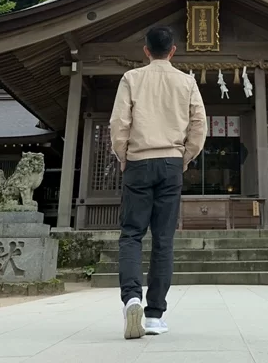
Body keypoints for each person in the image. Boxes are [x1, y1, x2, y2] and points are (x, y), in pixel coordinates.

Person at [110, 25, 206, 340]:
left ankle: (131, 298)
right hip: (171, 163)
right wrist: (185, 157)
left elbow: (119, 122)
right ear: (173, 50)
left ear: (146, 50)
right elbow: (198, 124)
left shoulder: (131, 79)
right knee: (163, 239)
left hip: (138, 160)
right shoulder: (187, 81)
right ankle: (154, 316)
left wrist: (122, 155)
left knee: (131, 235)